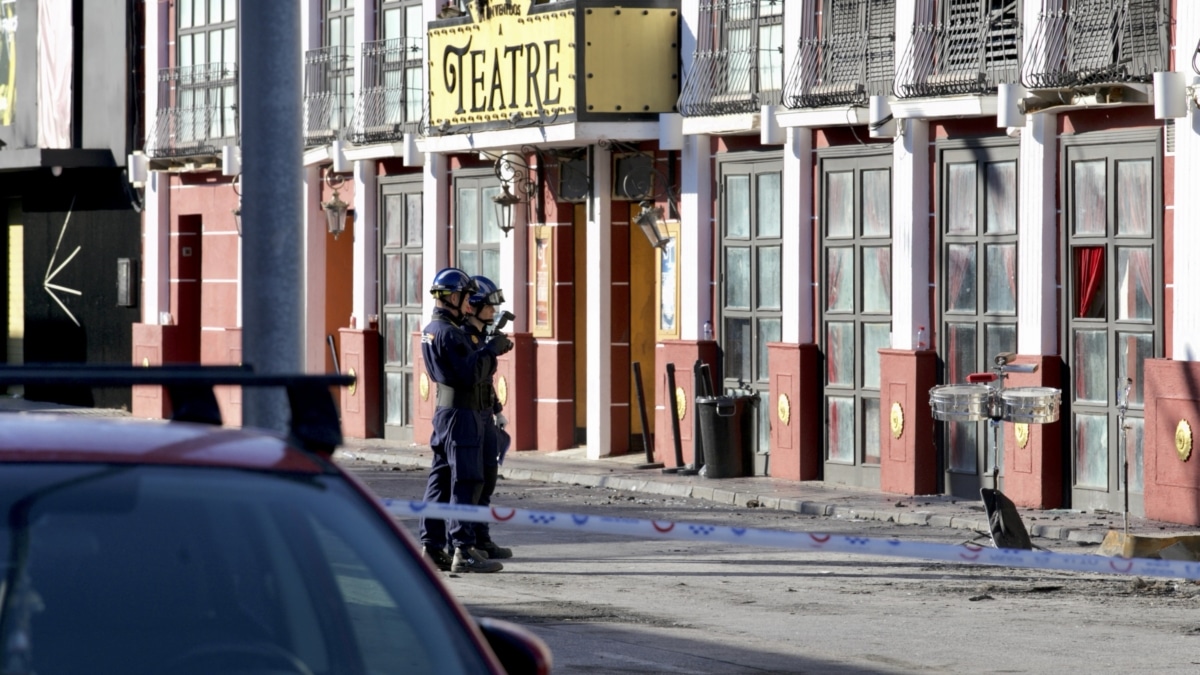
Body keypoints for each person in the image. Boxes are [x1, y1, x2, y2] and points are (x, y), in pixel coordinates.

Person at [418, 267, 513, 573]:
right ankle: (462, 549)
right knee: (466, 479)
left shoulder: (433, 329)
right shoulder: (450, 333)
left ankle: (432, 547)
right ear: (454, 297)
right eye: (466, 299)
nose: (469, 306)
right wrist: (491, 350)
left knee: (441, 480)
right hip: (462, 414)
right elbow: (470, 374)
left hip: (446, 413)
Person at [463, 275, 514, 560]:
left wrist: (497, 410)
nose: (493, 312)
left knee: (488, 479)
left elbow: (486, 380)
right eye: (489, 306)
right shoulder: (463, 336)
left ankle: (482, 538)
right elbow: (469, 375)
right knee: (472, 482)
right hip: (468, 415)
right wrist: (487, 350)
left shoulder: (481, 337)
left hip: (485, 413)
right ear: (473, 305)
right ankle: (467, 541)